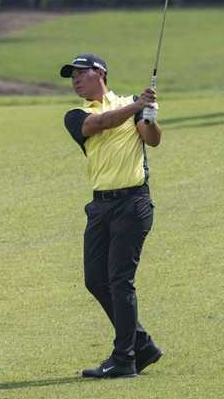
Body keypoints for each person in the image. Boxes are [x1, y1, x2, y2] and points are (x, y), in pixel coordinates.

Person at [60, 53, 165, 379]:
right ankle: (142, 344)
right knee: (96, 279)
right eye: (72, 76)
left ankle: (124, 359)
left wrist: (147, 115)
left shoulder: (130, 103)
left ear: (100, 73)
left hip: (133, 203)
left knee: (120, 280)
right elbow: (100, 124)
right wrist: (137, 107)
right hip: (101, 206)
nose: (75, 80)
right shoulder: (77, 115)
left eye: (81, 73)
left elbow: (153, 140)